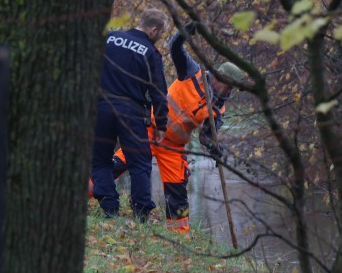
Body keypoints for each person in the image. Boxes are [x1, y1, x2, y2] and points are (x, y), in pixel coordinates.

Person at [90, 23, 245, 232]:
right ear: (217, 77)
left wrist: (214, 148)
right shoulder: (192, 72)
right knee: (114, 165)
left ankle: (179, 237)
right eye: (226, 84)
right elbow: (175, 48)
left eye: (231, 88)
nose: (227, 90)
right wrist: (184, 34)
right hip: (149, 130)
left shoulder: (217, 109)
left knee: (177, 191)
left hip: (173, 146)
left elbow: (207, 137)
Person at [91, 8, 169, 220]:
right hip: (130, 113)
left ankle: (109, 207)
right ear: (154, 30)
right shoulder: (150, 52)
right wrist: (161, 124)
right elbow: (158, 92)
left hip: (101, 108)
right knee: (140, 162)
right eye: (161, 34)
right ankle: (141, 213)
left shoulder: (109, 38)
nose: (159, 38)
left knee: (99, 160)